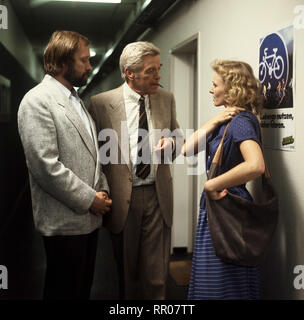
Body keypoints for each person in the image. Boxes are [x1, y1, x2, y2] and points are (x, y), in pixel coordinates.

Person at [17, 30, 112, 300]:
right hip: (64, 222)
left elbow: (93, 153)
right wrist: (89, 199)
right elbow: (45, 167)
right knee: (63, 291)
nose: (90, 67)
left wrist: (101, 189)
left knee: (80, 290)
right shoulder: (37, 101)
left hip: (89, 220)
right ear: (60, 64)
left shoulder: (76, 101)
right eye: (84, 61)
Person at [89, 41, 182, 299]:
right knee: (128, 277)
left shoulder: (166, 99)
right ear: (130, 72)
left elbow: (179, 139)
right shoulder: (100, 104)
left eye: (159, 69)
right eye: (151, 70)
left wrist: (173, 143)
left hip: (157, 196)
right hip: (121, 199)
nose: (158, 76)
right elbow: (92, 155)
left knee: (156, 276)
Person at [183, 60, 265, 300]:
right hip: (219, 205)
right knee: (216, 276)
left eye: (214, 84)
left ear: (233, 89)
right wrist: (214, 121)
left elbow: (256, 165)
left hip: (228, 205)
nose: (211, 90)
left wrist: (212, 184)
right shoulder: (227, 120)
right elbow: (187, 149)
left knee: (223, 282)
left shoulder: (241, 122)